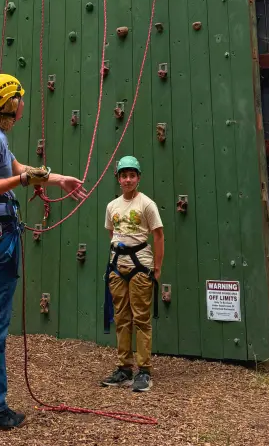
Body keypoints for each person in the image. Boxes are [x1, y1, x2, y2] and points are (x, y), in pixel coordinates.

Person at [0, 73, 85, 430]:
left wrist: (58, 179)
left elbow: (21, 169)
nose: (24, 104)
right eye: (21, 99)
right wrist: (22, 183)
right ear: (12, 104)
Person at [101, 155, 164, 393]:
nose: (128, 180)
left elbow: (158, 235)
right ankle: (124, 368)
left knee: (141, 318)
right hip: (118, 265)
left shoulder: (146, 204)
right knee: (121, 318)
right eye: (123, 175)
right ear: (118, 178)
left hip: (140, 266)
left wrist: (157, 268)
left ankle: (144, 371)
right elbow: (113, 234)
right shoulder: (112, 206)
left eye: (132, 175)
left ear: (138, 178)